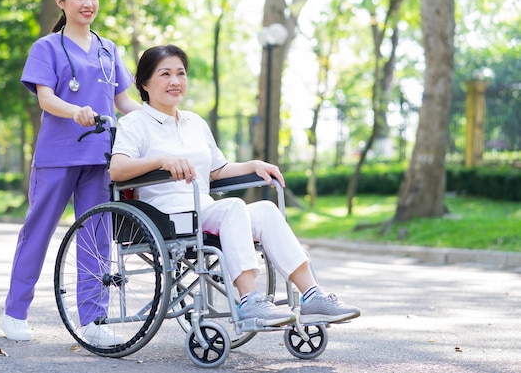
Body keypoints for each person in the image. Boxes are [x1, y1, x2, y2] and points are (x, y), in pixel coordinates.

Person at [108, 44, 360, 327]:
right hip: (166, 216)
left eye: (181, 73)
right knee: (233, 208)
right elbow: (117, 170)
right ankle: (248, 300)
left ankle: (312, 295)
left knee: (265, 209)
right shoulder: (135, 123)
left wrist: (252, 165)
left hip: (204, 209)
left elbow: (217, 170)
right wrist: (162, 160)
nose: (175, 81)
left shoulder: (195, 122)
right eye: (165, 74)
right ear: (145, 83)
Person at [0, 0, 141, 345]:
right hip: (58, 154)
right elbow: (45, 98)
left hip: (100, 157)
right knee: (38, 232)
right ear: (61, 1)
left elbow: (123, 100)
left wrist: (160, 118)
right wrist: (74, 111)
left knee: (97, 237)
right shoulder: (46, 47)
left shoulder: (109, 49)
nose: (87, 3)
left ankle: (93, 322)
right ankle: (15, 312)